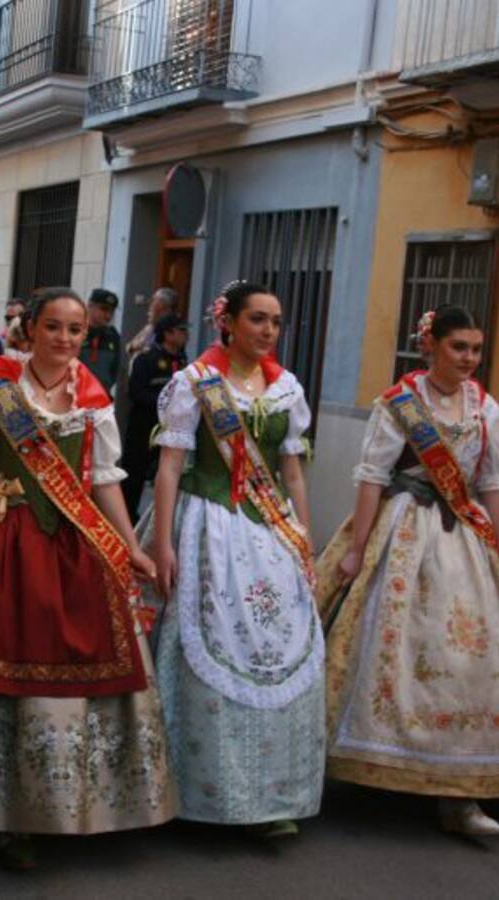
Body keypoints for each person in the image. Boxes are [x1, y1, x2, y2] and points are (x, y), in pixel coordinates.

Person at [0, 287, 177, 870]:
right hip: (5, 541)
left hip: (74, 545)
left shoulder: (89, 391)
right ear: (29, 329)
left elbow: (104, 478)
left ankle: (75, 802)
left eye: (75, 331)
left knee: (87, 657)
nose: (65, 340)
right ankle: (6, 817)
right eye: (55, 328)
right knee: (2, 667)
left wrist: (129, 545)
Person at [314, 305, 499, 837]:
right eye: (459, 348)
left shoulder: (486, 408)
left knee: (467, 659)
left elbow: (494, 481)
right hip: (404, 529)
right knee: (390, 648)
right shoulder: (399, 404)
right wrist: (358, 549)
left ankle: (459, 793)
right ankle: (367, 768)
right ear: (431, 346)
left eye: (476, 349)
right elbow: (371, 476)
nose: (469, 359)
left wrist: (497, 549)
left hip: (464, 540)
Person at [140, 282, 323, 836]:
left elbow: (291, 471)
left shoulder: (285, 388)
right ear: (229, 323)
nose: (268, 331)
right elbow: (171, 466)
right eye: (258, 320)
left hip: (268, 530)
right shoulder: (194, 384)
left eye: (275, 321)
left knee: (278, 647)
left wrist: (303, 536)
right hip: (208, 526)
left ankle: (272, 797)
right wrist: (163, 541)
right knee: (210, 649)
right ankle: (199, 790)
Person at [122, 313, 188, 521]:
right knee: (135, 474)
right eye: (182, 331)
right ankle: (126, 517)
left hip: (170, 428)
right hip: (144, 424)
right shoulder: (147, 358)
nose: (186, 335)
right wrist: (164, 403)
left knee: (166, 474)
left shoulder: (182, 360)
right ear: (167, 334)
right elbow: (135, 392)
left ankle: (158, 520)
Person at [79, 288, 123, 394]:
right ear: (89, 306)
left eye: (111, 311)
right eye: (104, 309)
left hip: (101, 396)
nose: (108, 315)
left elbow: (115, 369)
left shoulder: (113, 336)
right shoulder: (77, 331)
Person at [126, 288, 178, 367]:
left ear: (165, 308)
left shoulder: (171, 330)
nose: (150, 306)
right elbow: (129, 347)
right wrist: (135, 346)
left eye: (154, 302)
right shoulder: (149, 327)